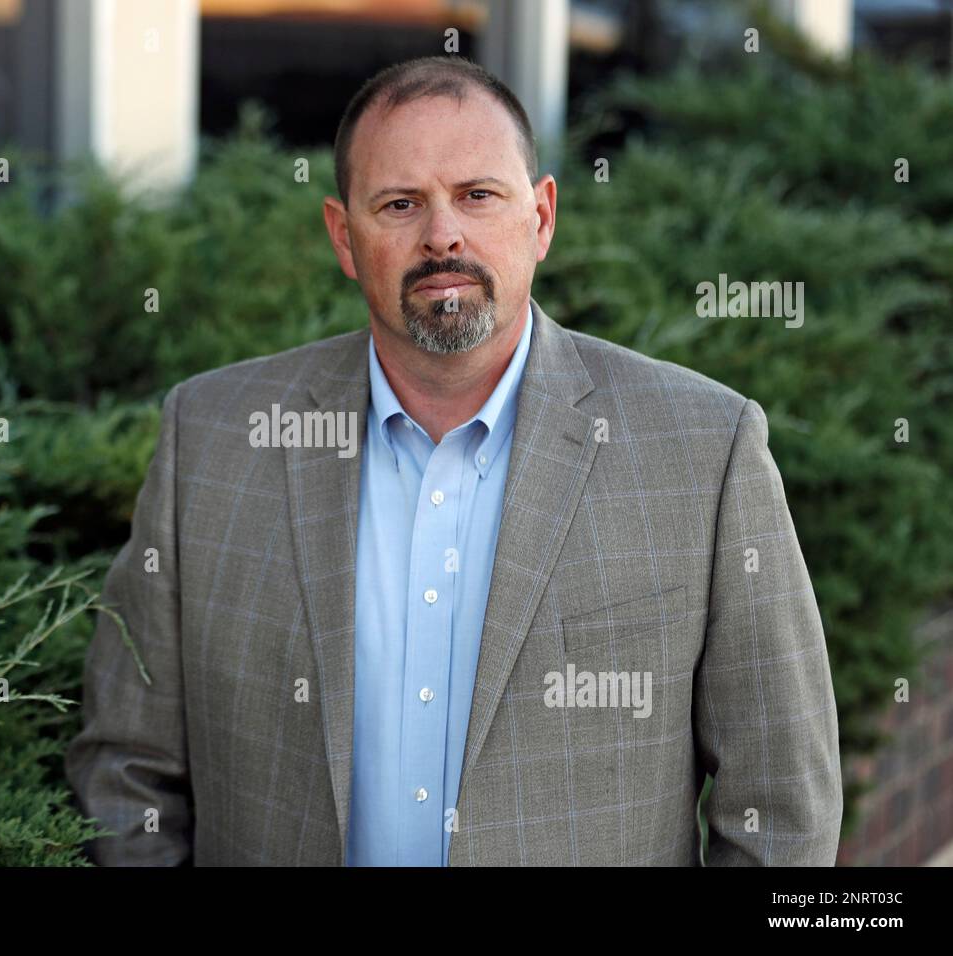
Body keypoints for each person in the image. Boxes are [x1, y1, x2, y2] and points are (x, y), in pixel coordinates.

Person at [65, 55, 843, 866]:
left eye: (478, 195)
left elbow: (781, 810)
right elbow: (128, 765)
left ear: (540, 216)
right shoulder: (214, 437)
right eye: (400, 204)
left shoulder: (701, 450)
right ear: (343, 236)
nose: (442, 234)